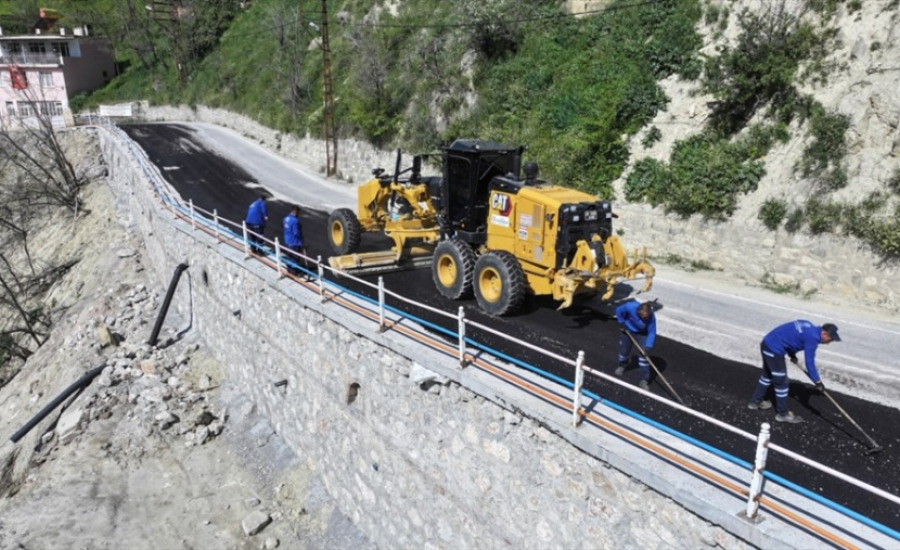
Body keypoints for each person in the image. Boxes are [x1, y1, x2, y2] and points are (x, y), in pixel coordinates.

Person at [748, 320, 840, 423]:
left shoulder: (808, 325)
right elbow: (809, 363)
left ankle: (754, 402)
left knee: (767, 376)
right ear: (825, 334)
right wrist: (817, 381)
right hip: (774, 351)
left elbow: (792, 337)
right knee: (782, 383)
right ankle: (782, 414)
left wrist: (792, 354)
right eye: (831, 339)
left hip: (767, 343)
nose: (830, 342)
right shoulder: (813, 338)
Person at [614, 301, 656, 389]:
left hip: (642, 334)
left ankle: (644, 380)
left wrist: (648, 346)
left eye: (646, 317)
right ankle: (622, 365)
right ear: (638, 312)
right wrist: (622, 322)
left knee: (644, 357)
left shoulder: (651, 317)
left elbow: (652, 332)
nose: (644, 319)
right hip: (628, 330)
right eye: (643, 317)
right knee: (624, 352)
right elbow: (618, 310)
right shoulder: (630, 307)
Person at [282, 204, 305, 275]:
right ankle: (293, 271)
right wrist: (301, 237)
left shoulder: (285, 219)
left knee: (290, 255)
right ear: (296, 212)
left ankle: (289, 268)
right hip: (294, 241)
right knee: (295, 257)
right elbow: (296, 233)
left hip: (287, 240)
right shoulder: (295, 221)